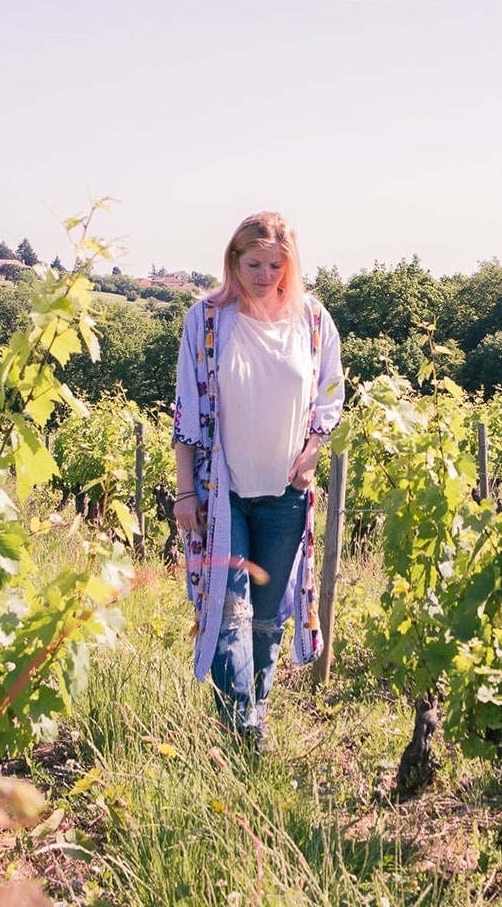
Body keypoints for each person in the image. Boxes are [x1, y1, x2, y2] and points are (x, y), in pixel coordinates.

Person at [171, 212, 343, 744]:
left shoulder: (313, 322)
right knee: (229, 613)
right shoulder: (206, 319)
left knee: (267, 618)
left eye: (275, 264)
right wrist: (183, 490)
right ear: (233, 261)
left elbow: (329, 399)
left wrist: (313, 453)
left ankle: (253, 714)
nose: (265, 275)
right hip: (222, 494)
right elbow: (187, 407)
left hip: (286, 495)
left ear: (290, 264)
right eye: (253, 264)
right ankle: (243, 727)